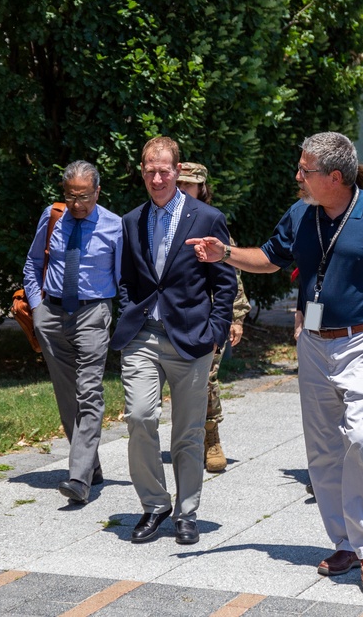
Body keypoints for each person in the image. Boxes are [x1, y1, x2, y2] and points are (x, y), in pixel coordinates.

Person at [188, 132, 363, 593]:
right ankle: (343, 541)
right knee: (323, 449)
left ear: (333, 177)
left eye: (305, 170)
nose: (297, 176)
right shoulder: (301, 214)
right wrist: (225, 255)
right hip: (314, 342)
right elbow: (268, 258)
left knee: (361, 438)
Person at [111, 136, 237, 545]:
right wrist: (131, 311)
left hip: (191, 339)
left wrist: (216, 332)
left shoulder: (207, 218)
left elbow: (225, 282)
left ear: (178, 171)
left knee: (187, 432)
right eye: (150, 170)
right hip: (143, 336)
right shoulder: (131, 220)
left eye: (164, 169)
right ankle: (154, 504)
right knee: (140, 417)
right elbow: (128, 279)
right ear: (142, 171)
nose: (157, 177)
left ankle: (187, 512)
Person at [22, 161, 122, 504]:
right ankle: (91, 465)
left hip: (93, 312)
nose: (77, 204)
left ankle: (78, 478)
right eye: (71, 195)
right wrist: (37, 308)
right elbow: (33, 263)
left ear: (97, 191)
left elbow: (124, 277)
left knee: (89, 391)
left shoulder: (114, 226)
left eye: (84, 196)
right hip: (51, 313)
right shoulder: (52, 217)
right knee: (67, 395)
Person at [176, 161, 251, 473]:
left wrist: (236, 317)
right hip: (172, 314)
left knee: (206, 378)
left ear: (201, 188)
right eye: (178, 185)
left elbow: (230, 274)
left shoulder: (210, 222)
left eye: (188, 185)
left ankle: (211, 437)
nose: (182, 191)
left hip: (206, 317)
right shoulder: (162, 220)